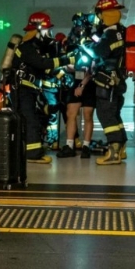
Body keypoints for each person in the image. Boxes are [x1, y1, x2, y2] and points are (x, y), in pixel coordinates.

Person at [11, 12, 75, 165]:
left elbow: (45, 69)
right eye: (46, 30)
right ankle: (32, 154)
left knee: (37, 119)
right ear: (38, 29)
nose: (49, 34)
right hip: (22, 91)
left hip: (30, 91)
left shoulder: (34, 48)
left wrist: (62, 76)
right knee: (30, 120)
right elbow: (42, 64)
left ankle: (32, 150)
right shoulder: (26, 48)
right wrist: (67, 59)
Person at [85, 0, 128, 165]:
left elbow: (99, 53)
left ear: (104, 14)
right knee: (115, 115)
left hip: (107, 81)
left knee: (106, 115)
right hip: (117, 81)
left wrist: (87, 45)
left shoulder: (110, 34)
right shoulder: (120, 32)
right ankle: (121, 148)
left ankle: (114, 153)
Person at [58, 13, 97, 159]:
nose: (79, 27)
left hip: (89, 81)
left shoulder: (93, 40)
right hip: (75, 80)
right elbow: (65, 60)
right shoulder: (70, 40)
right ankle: (70, 145)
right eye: (77, 24)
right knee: (70, 113)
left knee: (88, 114)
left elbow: (94, 65)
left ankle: (86, 146)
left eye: (81, 24)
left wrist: (82, 84)